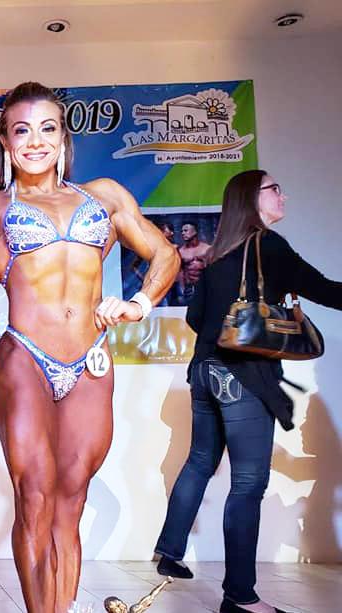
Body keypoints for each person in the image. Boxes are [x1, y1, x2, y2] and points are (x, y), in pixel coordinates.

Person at [0, 82, 179, 613]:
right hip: (24, 357)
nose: (35, 141)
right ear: (5, 142)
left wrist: (139, 304)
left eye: (47, 128)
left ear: (63, 138)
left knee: (71, 498)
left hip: (90, 360)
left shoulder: (104, 197)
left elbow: (164, 254)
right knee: (34, 492)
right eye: (22, 130)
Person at [154, 170, 342, 613]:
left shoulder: (219, 254)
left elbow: (196, 318)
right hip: (243, 376)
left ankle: (170, 550)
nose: (283, 195)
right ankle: (240, 597)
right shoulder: (268, 246)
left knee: (200, 460)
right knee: (248, 484)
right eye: (275, 189)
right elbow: (326, 291)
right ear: (252, 199)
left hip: (204, 372)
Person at [179, 220, 212, 303]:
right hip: (189, 287)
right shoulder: (181, 251)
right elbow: (180, 272)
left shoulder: (207, 249)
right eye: (182, 231)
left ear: (195, 231)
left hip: (205, 286)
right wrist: (182, 290)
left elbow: (213, 270)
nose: (183, 233)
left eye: (186, 230)